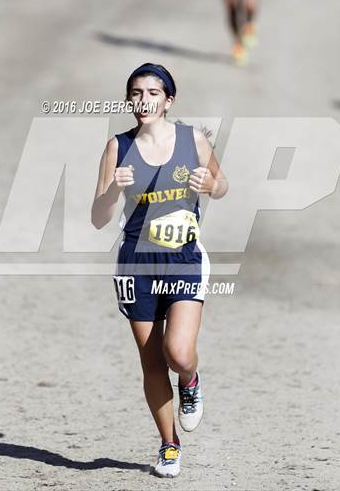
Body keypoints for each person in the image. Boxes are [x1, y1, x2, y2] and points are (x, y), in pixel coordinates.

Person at [91, 63, 228, 478]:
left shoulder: (194, 140)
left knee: (178, 353)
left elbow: (221, 185)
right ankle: (169, 444)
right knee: (151, 362)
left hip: (183, 259)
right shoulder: (118, 147)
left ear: (169, 100)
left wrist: (211, 186)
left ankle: (190, 380)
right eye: (136, 93)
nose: (143, 100)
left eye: (153, 93)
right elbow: (98, 217)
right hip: (136, 264)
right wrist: (114, 187)